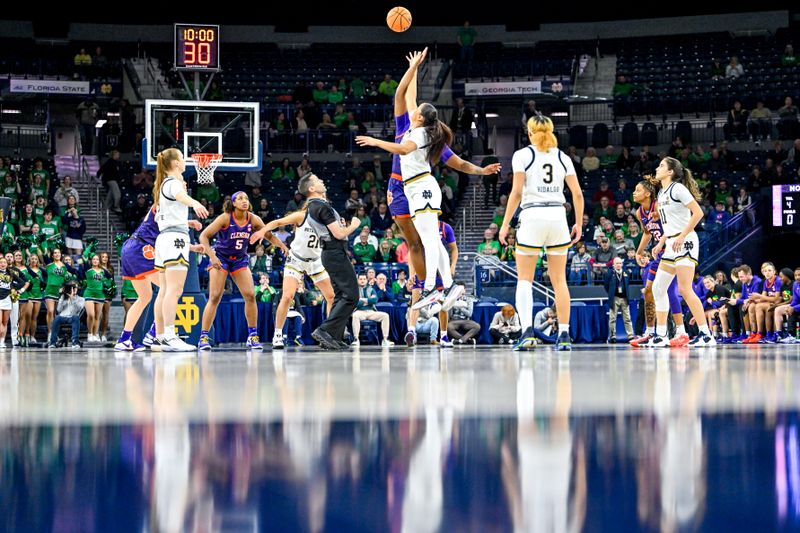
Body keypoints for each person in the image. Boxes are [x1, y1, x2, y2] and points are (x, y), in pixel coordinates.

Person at [356, 48, 500, 316]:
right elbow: (405, 95)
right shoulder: (412, 126)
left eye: (418, 110)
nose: (414, 108)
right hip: (402, 187)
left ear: (421, 117)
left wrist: (376, 141)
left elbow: (453, 161)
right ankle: (443, 285)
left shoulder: (422, 136)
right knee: (420, 240)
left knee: (428, 239)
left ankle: (433, 287)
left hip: (419, 186)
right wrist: (414, 69)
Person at [499, 114, 584, 351]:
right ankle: (565, 335)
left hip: (533, 215)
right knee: (560, 281)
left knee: (525, 280)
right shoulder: (563, 156)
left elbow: (516, 193)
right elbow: (577, 194)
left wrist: (505, 224)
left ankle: (527, 332)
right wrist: (577, 222)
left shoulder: (522, 155)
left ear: (529, 132)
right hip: (558, 216)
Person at [197, 191, 286, 351]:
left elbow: (269, 236)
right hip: (221, 258)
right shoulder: (225, 217)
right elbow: (204, 236)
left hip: (239, 259)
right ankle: (203, 337)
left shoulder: (253, 218)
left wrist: (283, 246)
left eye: (246, 198)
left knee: (250, 295)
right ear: (233, 203)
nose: (244, 201)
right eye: (240, 198)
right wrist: (212, 256)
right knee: (215, 296)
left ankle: (252, 336)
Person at [250, 188, 336, 349]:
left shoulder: (328, 221)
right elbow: (277, 223)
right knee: (287, 296)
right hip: (296, 259)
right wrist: (262, 230)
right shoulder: (301, 216)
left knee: (331, 296)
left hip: (315, 261)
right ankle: (277, 335)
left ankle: (330, 333)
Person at [116, 203, 204, 352]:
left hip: (131, 248)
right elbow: (161, 218)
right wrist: (188, 222)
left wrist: (192, 247)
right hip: (141, 248)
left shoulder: (169, 216)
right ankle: (154, 333)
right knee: (169, 289)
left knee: (145, 297)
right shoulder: (162, 203)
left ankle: (124, 340)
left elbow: (169, 236)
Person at [646, 158, 715, 347]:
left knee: (684, 289)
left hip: (685, 241)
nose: (657, 167)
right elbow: (669, 223)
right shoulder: (661, 192)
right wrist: (661, 242)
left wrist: (681, 236)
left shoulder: (678, 189)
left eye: (661, 165)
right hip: (671, 243)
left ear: (670, 172)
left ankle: (706, 334)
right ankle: (661, 335)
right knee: (658, 288)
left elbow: (698, 213)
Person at [151, 148, 209, 351]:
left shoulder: (163, 185)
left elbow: (166, 216)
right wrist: (195, 204)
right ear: (176, 163)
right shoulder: (174, 183)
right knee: (174, 291)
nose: (184, 162)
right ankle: (169, 335)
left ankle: (159, 336)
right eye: (182, 159)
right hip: (174, 238)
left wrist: (187, 221)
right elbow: (181, 197)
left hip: (166, 238)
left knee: (164, 291)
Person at [296, 174, 360, 350]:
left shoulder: (314, 206)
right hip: (334, 252)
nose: (322, 181)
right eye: (318, 180)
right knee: (352, 296)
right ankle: (325, 330)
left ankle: (334, 336)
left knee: (341, 296)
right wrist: (354, 225)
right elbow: (339, 234)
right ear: (311, 189)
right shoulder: (319, 205)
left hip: (331, 253)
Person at [629, 180, 686, 347]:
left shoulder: (658, 205)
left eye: (637, 189)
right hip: (658, 254)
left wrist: (660, 243)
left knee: (668, 290)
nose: (634, 192)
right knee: (648, 291)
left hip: (671, 250)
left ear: (647, 194)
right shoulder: (640, 212)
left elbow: (671, 228)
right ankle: (650, 332)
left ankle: (679, 331)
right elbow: (647, 233)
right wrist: (639, 252)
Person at [350, 273, 394, 347]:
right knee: (355, 316)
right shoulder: (354, 290)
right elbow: (355, 303)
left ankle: (385, 339)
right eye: (360, 279)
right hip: (359, 311)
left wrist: (363, 300)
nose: (362, 281)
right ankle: (356, 339)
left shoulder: (371, 289)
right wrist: (368, 300)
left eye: (364, 279)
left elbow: (374, 300)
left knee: (385, 316)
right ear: (357, 280)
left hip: (371, 311)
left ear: (367, 280)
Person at [82, 254, 112, 342]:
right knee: (91, 314)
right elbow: (84, 256)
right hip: (89, 294)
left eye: (97, 259)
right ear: (91, 261)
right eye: (94, 259)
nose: (95, 261)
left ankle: (95, 334)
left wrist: (107, 286)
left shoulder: (103, 271)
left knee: (97, 317)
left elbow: (110, 279)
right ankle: (90, 333)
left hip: (100, 295)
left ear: (99, 261)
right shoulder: (88, 269)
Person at [605, 257, 634, 343]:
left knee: (627, 318)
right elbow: (606, 286)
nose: (618, 265)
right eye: (616, 263)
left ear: (622, 264)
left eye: (620, 263)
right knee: (612, 318)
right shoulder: (609, 273)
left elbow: (628, 284)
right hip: (615, 298)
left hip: (624, 298)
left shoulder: (626, 273)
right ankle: (613, 336)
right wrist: (611, 293)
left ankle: (630, 335)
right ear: (613, 265)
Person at [47, 281, 83, 349]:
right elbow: (59, 310)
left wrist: (73, 299)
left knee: (76, 318)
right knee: (57, 318)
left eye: (75, 288)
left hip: (73, 317)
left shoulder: (81, 299)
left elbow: (78, 309)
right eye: (72, 288)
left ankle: (75, 342)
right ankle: (53, 343)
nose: (74, 289)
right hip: (62, 316)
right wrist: (62, 297)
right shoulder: (63, 298)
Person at [19, 254, 43, 347]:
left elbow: (43, 283)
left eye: (35, 259)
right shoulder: (26, 270)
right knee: (27, 316)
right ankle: (26, 333)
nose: (34, 260)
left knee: (34, 318)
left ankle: (32, 336)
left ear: (38, 260)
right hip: (29, 295)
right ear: (29, 260)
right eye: (32, 259)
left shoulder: (41, 271)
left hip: (38, 296)